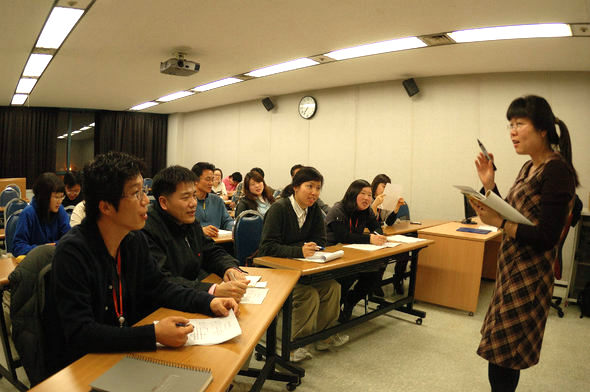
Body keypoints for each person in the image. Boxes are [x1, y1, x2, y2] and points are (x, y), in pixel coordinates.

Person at [46, 152, 239, 372]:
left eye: (144, 192)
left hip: (127, 352)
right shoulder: (73, 252)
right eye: (136, 194)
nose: (146, 201)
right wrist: (153, 334)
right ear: (106, 206)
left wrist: (207, 302)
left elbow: (160, 287)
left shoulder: (132, 240)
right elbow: (81, 332)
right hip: (83, 365)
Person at [470, 95, 578, 392]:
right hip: (511, 270)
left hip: (529, 278)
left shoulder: (557, 170)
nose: (512, 132)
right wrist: (489, 186)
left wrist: (500, 224)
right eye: (510, 125)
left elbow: (546, 237)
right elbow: (516, 214)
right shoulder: (528, 168)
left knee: (505, 358)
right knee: (501, 354)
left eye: (519, 123)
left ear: (542, 129)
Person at [258, 167, 348, 362]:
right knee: (308, 295)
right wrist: (299, 250)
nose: (314, 192)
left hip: (301, 269)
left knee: (332, 287)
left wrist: (305, 248)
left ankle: (324, 338)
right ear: (296, 187)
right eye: (309, 186)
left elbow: (320, 240)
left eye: (318, 188)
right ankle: (293, 345)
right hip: (275, 271)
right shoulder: (279, 209)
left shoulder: (314, 209)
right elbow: (267, 248)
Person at [142, 165, 248, 301]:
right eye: (186, 198)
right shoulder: (148, 229)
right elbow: (162, 281)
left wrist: (229, 268)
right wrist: (212, 290)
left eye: (194, 196)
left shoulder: (191, 222)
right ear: (164, 202)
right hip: (167, 305)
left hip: (194, 297)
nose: (193, 203)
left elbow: (211, 251)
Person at [325, 180, 387, 321]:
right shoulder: (338, 209)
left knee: (375, 272)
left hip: (353, 255)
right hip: (332, 254)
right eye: (362, 193)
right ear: (353, 194)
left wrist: (378, 236)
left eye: (369, 195)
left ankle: (350, 302)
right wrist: (369, 239)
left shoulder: (367, 211)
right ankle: (335, 309)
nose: (367, 198)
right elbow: (343, 236)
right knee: (349, 275)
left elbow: (376, 227)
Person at [12, 173, 71, 256]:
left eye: (61, 197)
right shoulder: (28, 213)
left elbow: (68, 238)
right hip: (34, 263)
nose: (60, 201)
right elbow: (18, 248)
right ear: (44, 197)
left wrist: (52, 246)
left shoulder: (60, 210)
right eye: (56, 197)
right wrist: (42, 249)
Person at [370, 174, 408, 295]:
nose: (385, 190)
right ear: (375, 186)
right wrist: (375, 205)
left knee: (404, 252)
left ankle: (398, 279)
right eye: (383, 186)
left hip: (382, 234)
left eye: (388, 187)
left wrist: (396, 208)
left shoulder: (385, 202)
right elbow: (368, 221)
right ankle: (376, 283)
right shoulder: (368, 199)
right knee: (384, 253)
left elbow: (389, 222)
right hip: (370, 236)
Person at [191, 162, 234, 237]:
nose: (211, 183)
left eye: (212, 179)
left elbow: (227, 221)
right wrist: (200, 230)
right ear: (196, 180)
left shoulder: (217, 200)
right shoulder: (188, 202)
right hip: (197, 243)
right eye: (208, 179)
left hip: (219, 243)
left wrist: (234, 227)